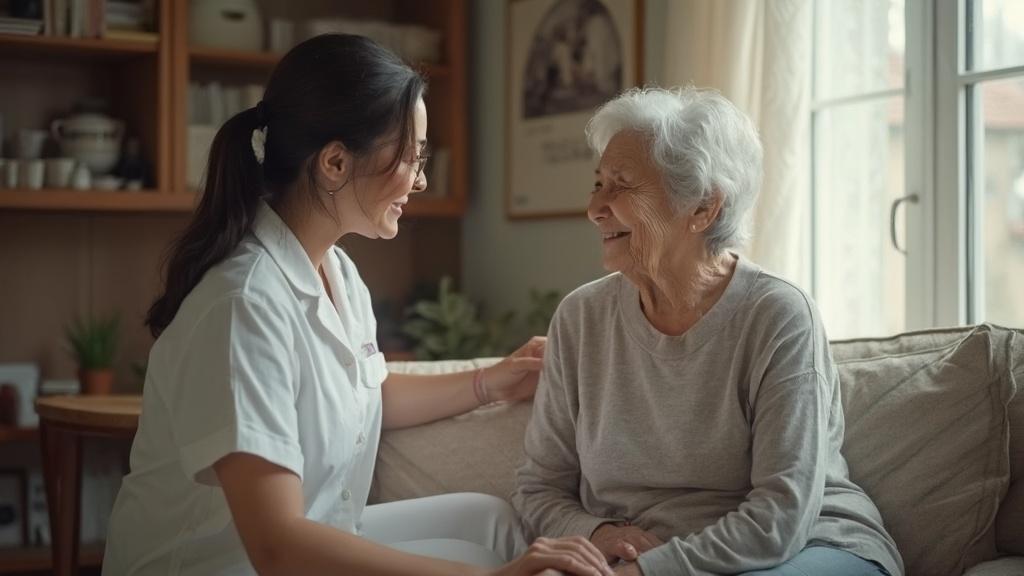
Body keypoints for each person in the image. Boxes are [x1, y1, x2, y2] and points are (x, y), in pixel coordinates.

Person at [103, 34, 612, 576]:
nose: (420, 180)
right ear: (335, 162)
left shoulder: (337, 272)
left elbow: (362, 394)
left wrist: (492, 380)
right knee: (485, 561)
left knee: (491, 523)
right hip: (229, 564)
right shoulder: (244, 305)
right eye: (411, 158)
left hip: (310, 535)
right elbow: (276, 548)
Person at [512, 86, 905, 576]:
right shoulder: (581, 318)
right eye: (598, 184)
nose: (595, 207)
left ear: (702, 207)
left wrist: (650, 571)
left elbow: (781, 516)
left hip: (806, 548)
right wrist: (599, 534)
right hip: (646, 557)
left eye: (623, 185)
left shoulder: (778, 316)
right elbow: (540, 487)